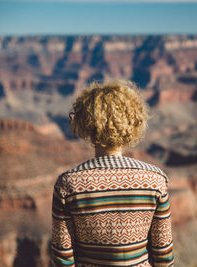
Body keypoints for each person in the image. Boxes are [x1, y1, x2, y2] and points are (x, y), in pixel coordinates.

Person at [51, 80, 174, 266]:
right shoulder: (155, 180)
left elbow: (63, 258)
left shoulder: (68, 184)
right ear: (134, 121)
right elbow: (163, 255)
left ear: (86, 122)